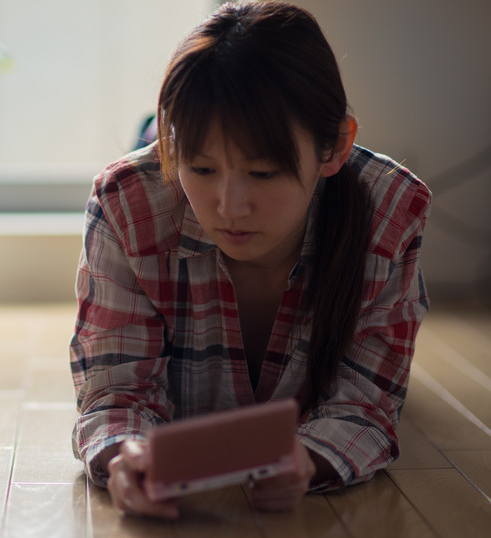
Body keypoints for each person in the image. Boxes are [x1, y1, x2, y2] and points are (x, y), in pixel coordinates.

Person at [70, 0, 431, 519]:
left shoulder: (388, 211)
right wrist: (124, 456)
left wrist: (308, 459)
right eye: (203, 168)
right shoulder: (126, 204)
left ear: (335, 146)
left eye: (262, 174)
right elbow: (115, 392)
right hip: (160, 181)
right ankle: (157, 133)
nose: (229, 207)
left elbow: (367, 402)